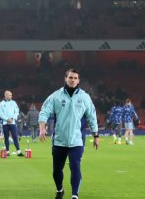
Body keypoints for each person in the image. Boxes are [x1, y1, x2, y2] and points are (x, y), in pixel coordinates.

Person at [39, 68, 99, 199]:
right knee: (56, 171)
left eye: (75, 78)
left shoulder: (84, 97)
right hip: (59, 140)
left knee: (75, 166)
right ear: (65, 79)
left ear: (79, 80)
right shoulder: (56, 96)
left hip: (77, 140)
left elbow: (92, 117)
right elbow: (44, 111)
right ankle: (60, 190)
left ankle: (74, 195)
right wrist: (42, 127)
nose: (73, 80)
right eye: (70, 77)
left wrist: (96, 135)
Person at [0, 90, 23, 156]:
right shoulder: (1, 103)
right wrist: (7, 119)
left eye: (11, 95)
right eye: (10, 95)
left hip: (12, 122)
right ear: (6, 95)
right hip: (5, 123)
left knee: (15, 136)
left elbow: (17, 111)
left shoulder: (14, 103)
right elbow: (0, 113)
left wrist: (12, 118)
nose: (11, 96)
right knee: (6, 137)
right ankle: (7, 152)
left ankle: (19, 151)